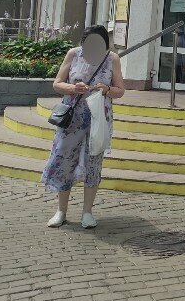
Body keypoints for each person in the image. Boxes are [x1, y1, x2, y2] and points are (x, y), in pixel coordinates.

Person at [41, 25, 125, 229]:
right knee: (64, 159)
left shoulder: (112, 58)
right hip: (72, 118)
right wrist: (72, 87)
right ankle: (61, 211)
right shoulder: (74, 54)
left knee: (92, 163)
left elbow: (120, 90)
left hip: (98, 119)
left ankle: (87, 213)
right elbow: (57, 83)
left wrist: (106, 89)